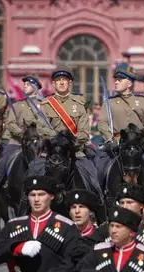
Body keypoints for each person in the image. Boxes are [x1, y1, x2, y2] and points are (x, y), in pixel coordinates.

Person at [31, 66, 102, 198]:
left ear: (70, 83)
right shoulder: (46, 105)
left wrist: (70, 140)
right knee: (32, 173)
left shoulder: (79, 104)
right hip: (50, 154)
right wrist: (58, 139)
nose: (62, 82)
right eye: (58, 80)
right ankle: (25, 212)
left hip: (75, 153)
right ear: (53, 83)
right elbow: (41, 128)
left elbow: (85, 132)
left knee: (93, 180)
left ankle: (99, 212)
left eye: (65, 79)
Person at [97, 63, 144, 189]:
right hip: (117, 144)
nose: (116, 82)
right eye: (116, 80)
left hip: (140, 145)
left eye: (120, 80)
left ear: (129, 84)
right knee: (99, 169)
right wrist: (110, 138)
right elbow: (102, 122)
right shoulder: (110, 102)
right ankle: (102, 200)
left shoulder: (143, 101)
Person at [0, 75, 49, 193]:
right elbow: (11, 124)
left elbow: (47, 124)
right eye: (24, 84)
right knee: (1, 165)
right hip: (17, 143)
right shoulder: (17, 105)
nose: (24, 86)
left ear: (35, 88)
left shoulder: (44, 106)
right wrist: (22, 134)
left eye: (28, 85)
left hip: (38, 144)